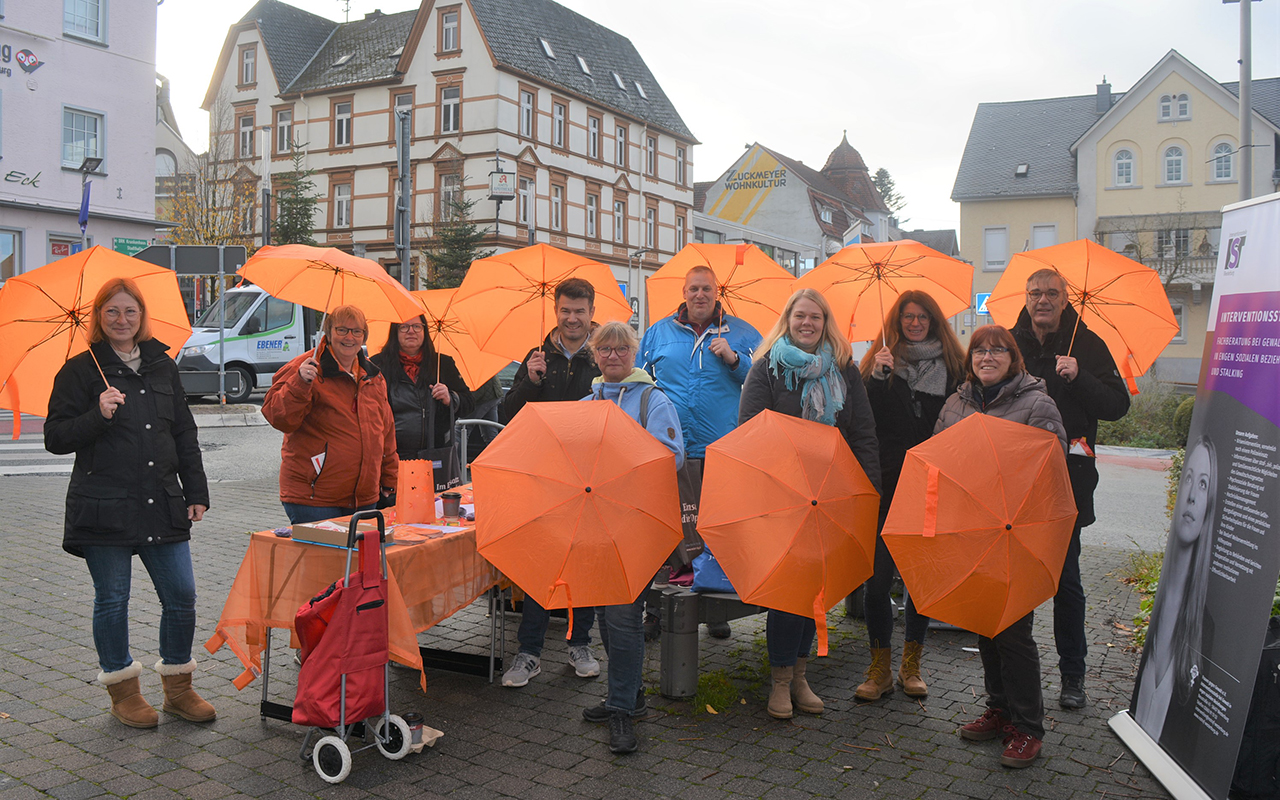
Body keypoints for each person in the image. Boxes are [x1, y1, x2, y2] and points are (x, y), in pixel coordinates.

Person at [44, 278, 216, 729]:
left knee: (181, 596)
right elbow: (55, 438)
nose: (122, 320)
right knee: (113, 599)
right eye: (112, 312)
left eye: (130, 312)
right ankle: (123, 694)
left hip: (161, 500)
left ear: (142, 317)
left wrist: (196, 492)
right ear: (99, 318)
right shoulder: (80, 372)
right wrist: (95, 415)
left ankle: (179, 687)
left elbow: (183, 433)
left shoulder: (163, 366)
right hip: (103, 505)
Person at [739, 288, 880, 720]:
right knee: (788, 588)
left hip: (830, 493)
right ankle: (781, 681)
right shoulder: (767, 368)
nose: (807, 323)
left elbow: (862, 434)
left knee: (815, 587)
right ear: (787, 319)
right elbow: (749, 431)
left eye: (815, 317)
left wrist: (868, 490)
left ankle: (801, 675)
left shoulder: (844, 370)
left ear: (825, 322)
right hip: (782, 494)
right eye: (800, 315)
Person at [942, 325, 1066, 769]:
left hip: (1015, 530)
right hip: (971, 530)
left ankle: (1028, 728)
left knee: (1013, 632)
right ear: (970, 358)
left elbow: (1051, 465)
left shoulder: (1037, 403)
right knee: (984, 624)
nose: (987, 357)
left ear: (1014, 358)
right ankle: (999, 709)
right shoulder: (957, 403)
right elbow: (938, 460)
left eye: (998, 350)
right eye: (979, 350)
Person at [1011, 268, 1130, 709]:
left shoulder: (1089, 343)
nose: (1042, 299)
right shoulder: (1010, 342)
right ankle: (1012, 682)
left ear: (1065, 300)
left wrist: (1080, 377)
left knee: (1066, 582)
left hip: (1068, 481)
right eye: (1035, 292)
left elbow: (1118, 406)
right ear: (1025, 297)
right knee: (1016, 581)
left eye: (1051, 293)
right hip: (1015, 483)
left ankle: (1072, 677)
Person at [577, 321, 685, 754]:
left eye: (622, 349)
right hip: (595, 525)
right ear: (596, 355)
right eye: (606, 349)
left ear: (634, 353)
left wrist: (619, 454)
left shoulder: (652, 400)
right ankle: (630, 691)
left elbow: (672, 457)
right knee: (606, 613)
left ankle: (623, 709)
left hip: (635, 525)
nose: (614, 356)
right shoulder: (586, 402)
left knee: (623, 617)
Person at [855, 290, 966, 701]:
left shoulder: (955, 367)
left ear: (934, 321)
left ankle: (911, 666)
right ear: (896, 321)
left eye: (922, 317)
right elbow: (864, 421)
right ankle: (879, 667)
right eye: (907, 317)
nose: (915, 323)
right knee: (877, 580)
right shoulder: (880, 363)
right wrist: (877, 378)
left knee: (919, 580)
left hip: (931, 484)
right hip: (886, 483)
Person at [640, 265, 762, 639]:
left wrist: (735, 359)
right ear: (684, 292)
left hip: (719, 449)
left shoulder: (743, 333)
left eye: (706, 289)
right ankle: (655, 610)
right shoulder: (658, 332)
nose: (699, 295)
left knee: (714, 528)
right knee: (664, 528)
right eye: (693, 289)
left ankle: (717, 607)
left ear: (716, 292)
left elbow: (762, 380)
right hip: (669, 448)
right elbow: (639, 380)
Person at [500, 278, 602, 686]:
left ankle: (580, 643)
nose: (572, 318)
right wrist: (531, 380)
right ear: (556, 311)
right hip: (543, 477)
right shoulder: (537, 356)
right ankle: (529, 652)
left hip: (589, 478)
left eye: (580, 311)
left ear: (591, 312)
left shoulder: (603, 355)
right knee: (538, 565)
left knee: (584, 565)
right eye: (565, 310)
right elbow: (508, 415)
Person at [261, 305, 398, 524]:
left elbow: (386, 433)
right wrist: (300, 383)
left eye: (356, 331)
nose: (349, 337)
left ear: (364, 336)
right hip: (315, 500)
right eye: (342, 330)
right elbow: (279, 417)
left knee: (357, 559)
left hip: (364, 499)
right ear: (329, 331)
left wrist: (389, 479)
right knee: (325, 559)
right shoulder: (305, 367)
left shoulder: (374, 377)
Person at [1131, 434, 1217, 756]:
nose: (1193, 496)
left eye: (1204, 485)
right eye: (1188, 480)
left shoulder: (1203, 631)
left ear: (1209, 505)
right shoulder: (1157, 611)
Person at [369, 315, 474, 464]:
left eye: (417, 327)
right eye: (404, 327)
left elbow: (469, 403)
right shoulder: (377, 365)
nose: (411, 331)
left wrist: (451, 398)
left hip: (435, 455)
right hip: (391, 456)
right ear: (395, 332)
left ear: (425, 331)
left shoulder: (442, 364)